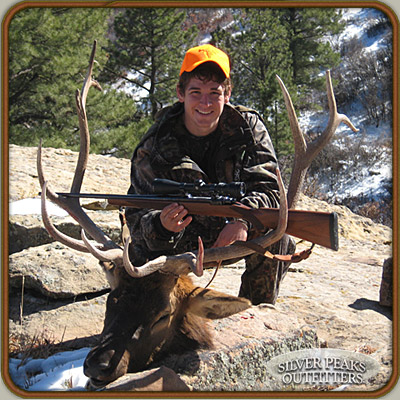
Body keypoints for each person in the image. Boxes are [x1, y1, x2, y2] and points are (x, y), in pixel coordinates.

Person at [125, 44, 295, 304]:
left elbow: (271, 190)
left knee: (278, 234)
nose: (205, 103)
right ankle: (148, 323)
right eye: (196, 92)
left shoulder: (248, 128)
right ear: (181, 93)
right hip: (179, 240)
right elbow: (136, 217)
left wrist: (242, 220)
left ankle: (255, 312)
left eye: (214, 93)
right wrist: (161, 225)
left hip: (234, 234)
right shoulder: (155, 143)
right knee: (136, 252)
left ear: (227, 94)